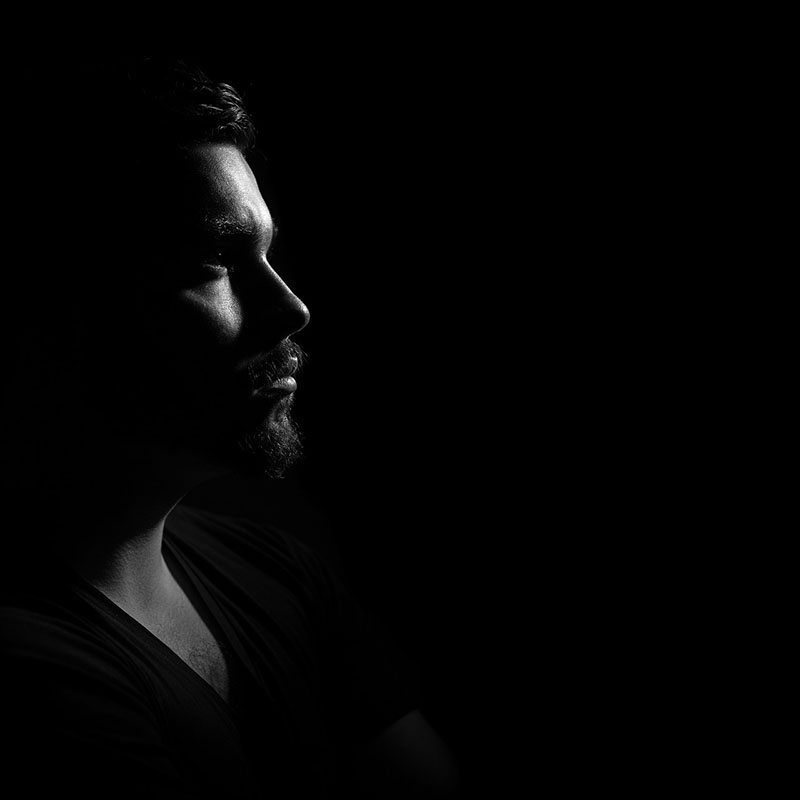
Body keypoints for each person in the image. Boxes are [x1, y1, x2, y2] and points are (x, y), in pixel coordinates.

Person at [0, 57, 461, 799]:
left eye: (269, 253)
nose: (292, 308)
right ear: (64, 307)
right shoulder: (27, 664)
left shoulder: (278, 571)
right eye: (216, 262)